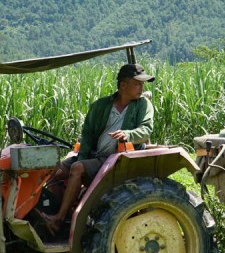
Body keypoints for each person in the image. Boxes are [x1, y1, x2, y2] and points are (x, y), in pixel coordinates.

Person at [43, 63, 154, 234]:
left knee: (77, 169)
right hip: (95, 155)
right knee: (52, 172)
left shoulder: (142, 105)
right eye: (137, 83)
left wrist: (128, 134)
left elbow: (146, 130)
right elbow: (87, 135)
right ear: (123, 85)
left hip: (117, 158)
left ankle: (59, 219)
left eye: (142, 84)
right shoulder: (101, 105)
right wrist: (82, 158)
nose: (142, 87)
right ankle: (64, 212)